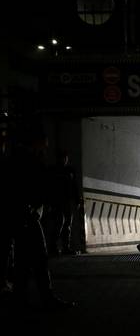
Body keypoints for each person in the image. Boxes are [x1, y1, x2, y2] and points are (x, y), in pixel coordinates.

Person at [6, 121, 75, 308]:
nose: (46, 146)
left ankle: (20, 297)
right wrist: (37, 205)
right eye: (44, 142)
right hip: (27, 215)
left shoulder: (16, 156)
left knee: (23, 259)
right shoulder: (29, 159)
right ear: (36, 141)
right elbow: (36, 186)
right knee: (39, 256)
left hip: (20, 214)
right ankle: (46, 297)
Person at [46, 150, 81, 255]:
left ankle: (63, 247)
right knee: (60, 223)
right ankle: (55, 247)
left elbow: (74, 186)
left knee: (65, 224)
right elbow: (50, 187)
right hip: (58, 201)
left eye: (65, 158)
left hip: (65, 201)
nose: (64, 160)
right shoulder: (56, 170)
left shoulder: (68, 170)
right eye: (63, 158)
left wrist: (77, 200)